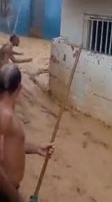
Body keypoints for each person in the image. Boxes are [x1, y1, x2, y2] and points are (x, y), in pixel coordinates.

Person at [0, 64, 54, 202]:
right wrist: (17, 198)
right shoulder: (5, 116)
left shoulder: (7, 112)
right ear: (19, 87)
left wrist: (36, 148)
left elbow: (8, 148)